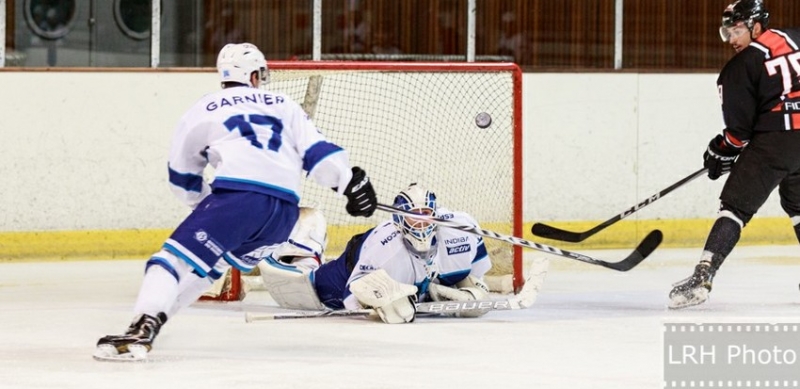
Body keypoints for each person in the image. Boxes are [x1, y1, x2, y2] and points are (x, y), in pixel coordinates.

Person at [94, 42, 378, 360]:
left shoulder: (205, 107)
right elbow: (319, 152)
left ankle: (140, 326)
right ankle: (155, 323)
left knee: (171, 260)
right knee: (213, 265)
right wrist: (350, 183)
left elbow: (182, 177)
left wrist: (210, 209)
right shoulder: (283, 103)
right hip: (283, 217)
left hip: (238, 199)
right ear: (255, 76)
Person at [669, 0, 800, 309]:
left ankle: (702, 277)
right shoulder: (796, 37)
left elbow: (738, 134)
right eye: (726, 32)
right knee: (798, 204)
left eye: (737, 30)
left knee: (735, 208)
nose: (731, 40)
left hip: (776, 142)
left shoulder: (740, 67)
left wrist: (720, 151)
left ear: (756, 26)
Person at [257, 183, 493, 323]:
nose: (421, 222)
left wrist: (474, 291)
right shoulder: (384, 247)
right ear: (399, 218)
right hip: (352, 264)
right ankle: (302, 251)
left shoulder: (462, 229)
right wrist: (378, 298)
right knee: (307, 288)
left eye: (426, 213)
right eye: (413, 215)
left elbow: (475, 274)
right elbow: (352, 296)